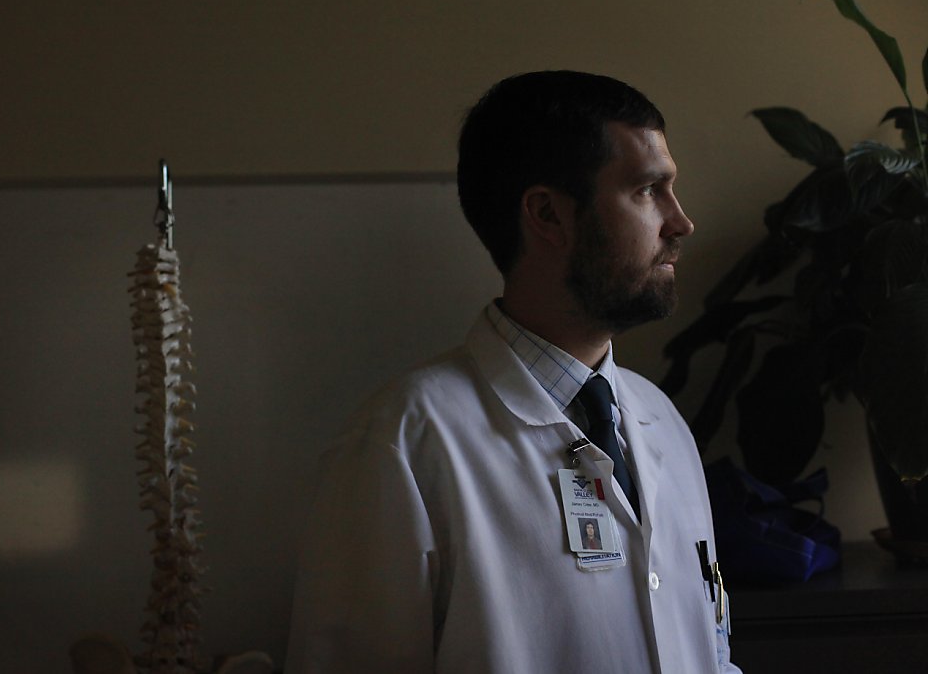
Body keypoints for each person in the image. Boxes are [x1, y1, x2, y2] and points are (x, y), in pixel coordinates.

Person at [285, 71, 740, 673]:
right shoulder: (403, 443)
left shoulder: (663, 423)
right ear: (548, 214)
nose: (680, 222)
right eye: (647, 190)